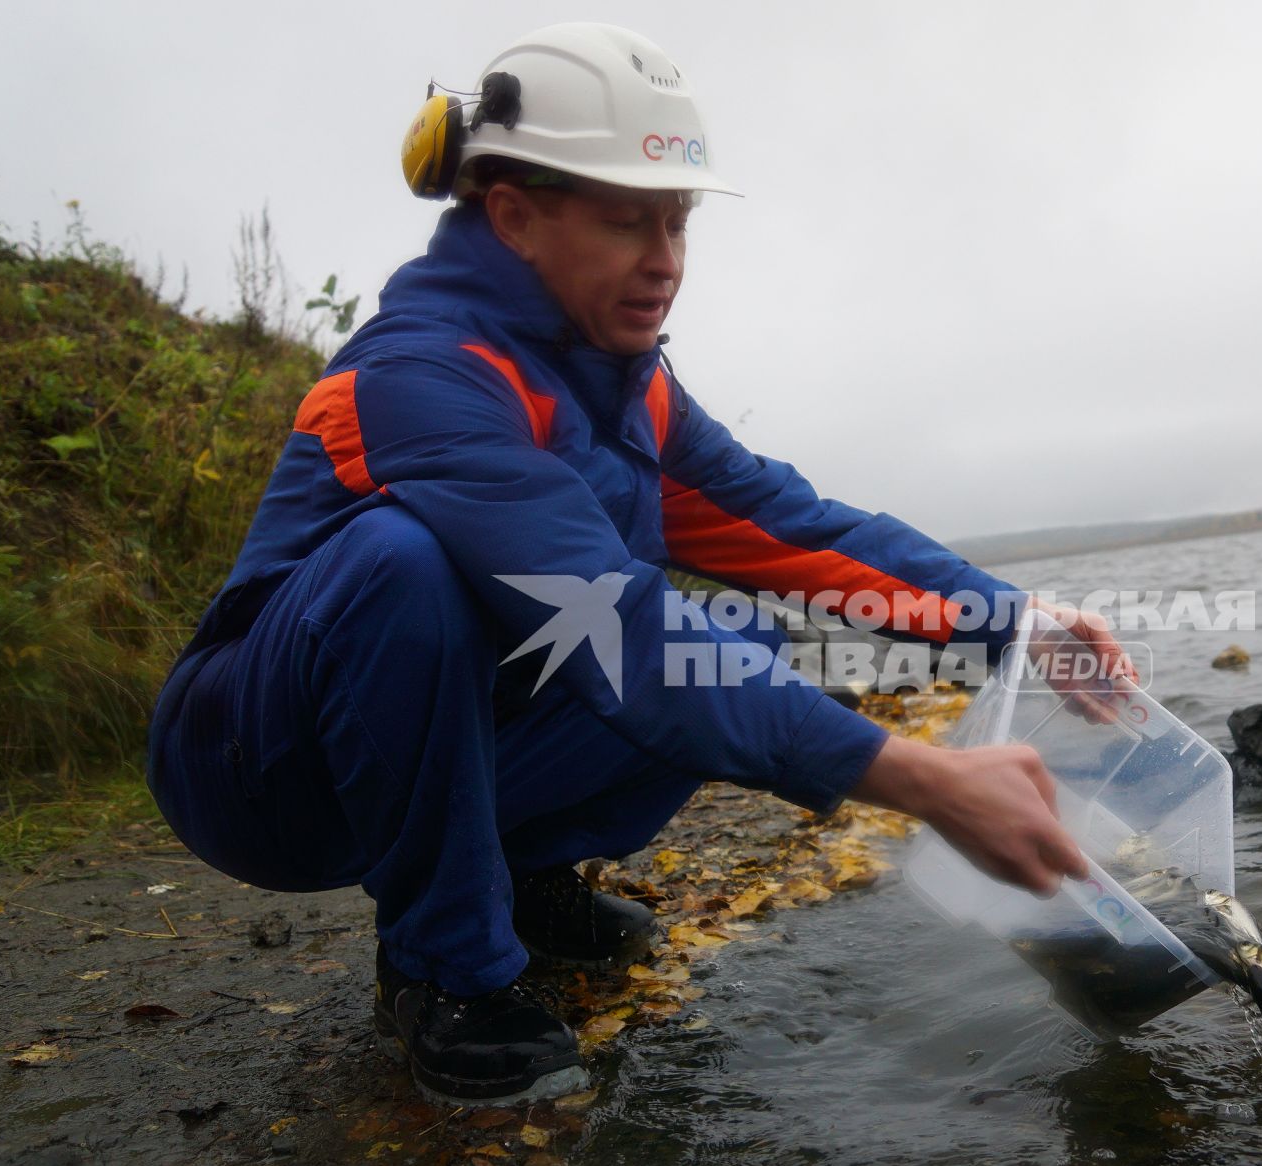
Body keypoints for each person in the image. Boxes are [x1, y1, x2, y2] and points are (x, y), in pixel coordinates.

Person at [146, 22, 1126, 1107]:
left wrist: (1013, 619)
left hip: (443, 737)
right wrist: (923, 780)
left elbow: (790, 525)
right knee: (404, 564)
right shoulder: (418, 376)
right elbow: (608, 625)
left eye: (679, 220)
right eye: (627, 222)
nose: (663, 261)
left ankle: (517, 884)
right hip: (259, 770)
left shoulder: (629, 389)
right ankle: (444, 968)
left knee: (741, 641)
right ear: (514, 216)